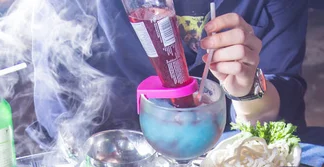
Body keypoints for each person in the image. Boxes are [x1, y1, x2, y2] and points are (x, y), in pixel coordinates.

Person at [32, 0, 308, 146]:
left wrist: (246, 91)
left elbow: (281, 109)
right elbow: (59, 110)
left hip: (219, 162)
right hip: (115, 159)